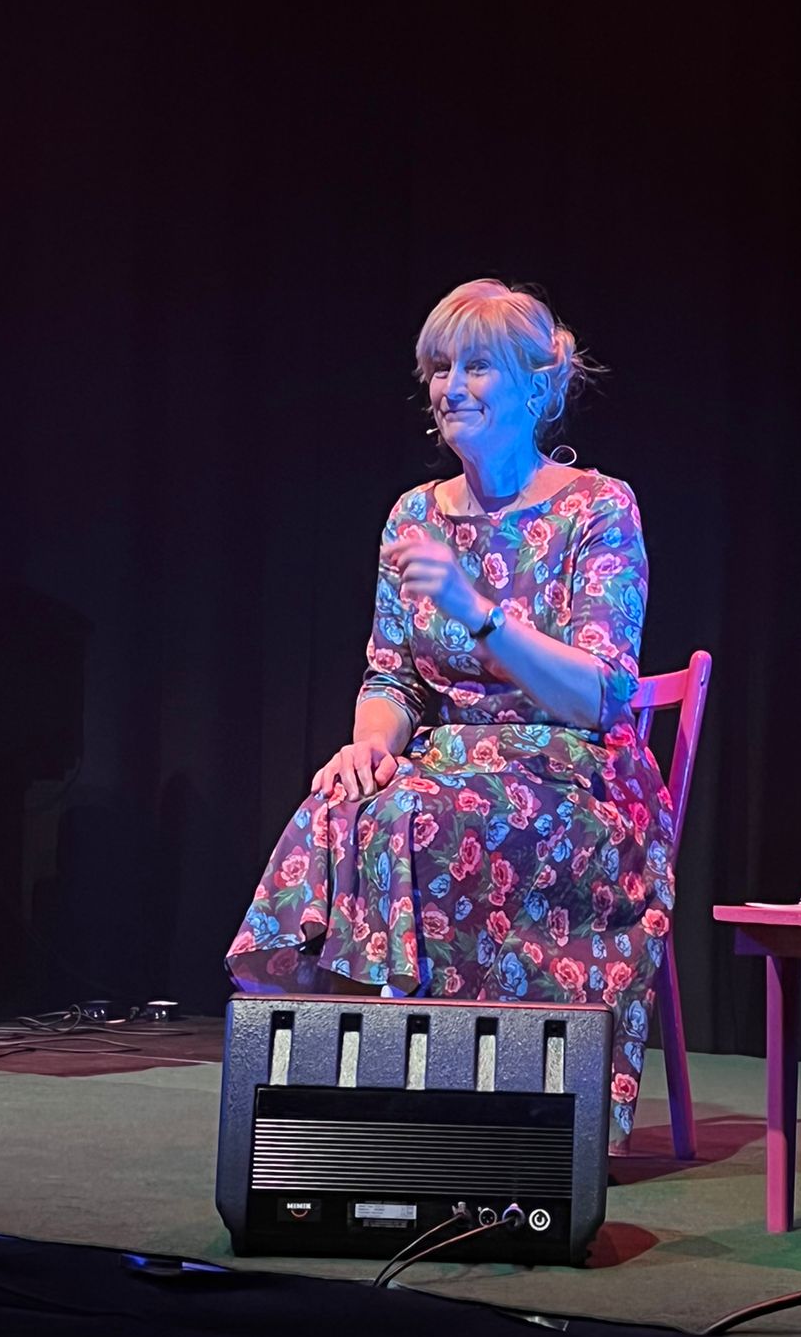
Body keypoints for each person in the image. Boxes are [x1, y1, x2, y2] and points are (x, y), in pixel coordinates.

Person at [227, 279, 676, 1149]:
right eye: (440, 369)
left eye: (477, 367)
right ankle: (346, 1093)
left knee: (416, 818)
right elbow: (392, 678)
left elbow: (598, 694)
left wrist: (479, 611)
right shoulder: (414, 516)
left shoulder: (597, 507)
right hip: (445, 765)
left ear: (537, 388)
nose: (450, 387)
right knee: (338, 807)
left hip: (575, 778)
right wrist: (368, 746)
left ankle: (461, 1106)